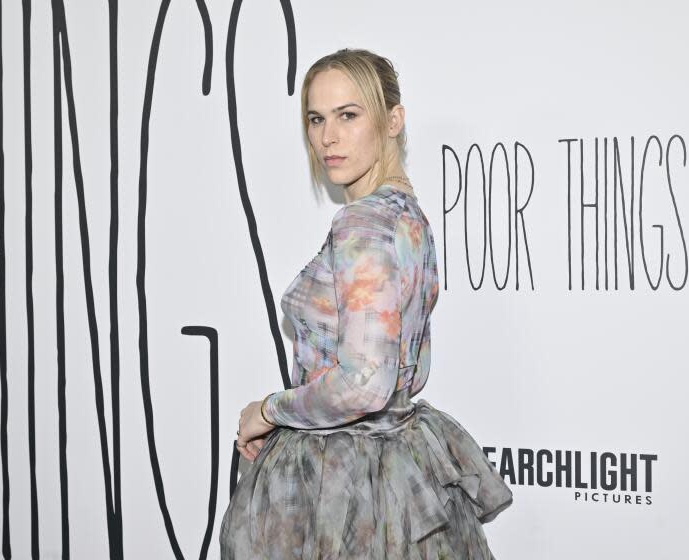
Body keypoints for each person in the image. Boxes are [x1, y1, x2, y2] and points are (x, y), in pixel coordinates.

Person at [219, 48, 512, 559]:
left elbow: (362, 384)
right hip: (398, 467)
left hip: (344, 481)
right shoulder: (409, 216)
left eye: (348, 116)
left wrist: (270, 411)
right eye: (316, 119)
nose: (328, 137)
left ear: (392, 120)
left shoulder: (363, 224)